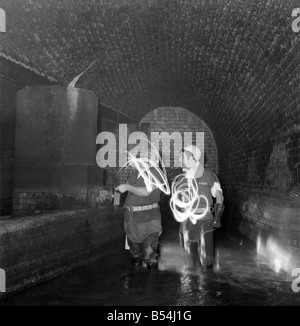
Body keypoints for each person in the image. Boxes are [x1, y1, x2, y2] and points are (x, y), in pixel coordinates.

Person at [176, 145, 224, 269]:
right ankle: (190, 286)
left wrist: (217, 219)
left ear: (192, 157)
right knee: (188, 261)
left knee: (207, 260)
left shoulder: (208, 175)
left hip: (204, 221)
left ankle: (207, 285)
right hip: (187, 221)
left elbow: (219, 197)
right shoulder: (182, 177)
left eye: (182, 157)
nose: (179, 159)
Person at [116, 151, 164, 269]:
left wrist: (126, 187)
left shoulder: (156, 173)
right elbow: (124, 189)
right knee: (135, 255)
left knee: (149, 255)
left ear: (157, 160)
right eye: (145, 156)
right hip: (131, 220)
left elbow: (146, 192)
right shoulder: (136, 172)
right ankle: (135, 285)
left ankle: (151, 284)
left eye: (149, 157)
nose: (145, 159)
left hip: (148, 221)